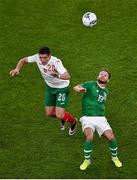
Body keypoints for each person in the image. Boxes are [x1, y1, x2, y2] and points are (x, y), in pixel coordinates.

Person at [10, 47, 77, 135]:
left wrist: (57, 75)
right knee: (49, 113)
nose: (42, 60)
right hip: (50, 87)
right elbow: (24, 60)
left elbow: (67, 76)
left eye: (45, 57)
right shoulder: (37, 57)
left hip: (62, 88)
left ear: (49, 56)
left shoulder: (56, 62)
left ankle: (73, 122)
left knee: (59, 114)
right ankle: (65, 117)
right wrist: (17, 69)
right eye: (41, 57)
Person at [73, 70, 122, 170]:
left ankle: (114, 157)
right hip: (87, 117)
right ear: (97, 76)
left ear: (108, 80)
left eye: (105, 75)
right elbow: (76, 87)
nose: (103, 76)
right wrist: (79, 89)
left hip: (101, 118)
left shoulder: (106, 92)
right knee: (89, 136)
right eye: (101, 74)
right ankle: (87, 160)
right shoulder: (90, 84)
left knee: (111, 137)